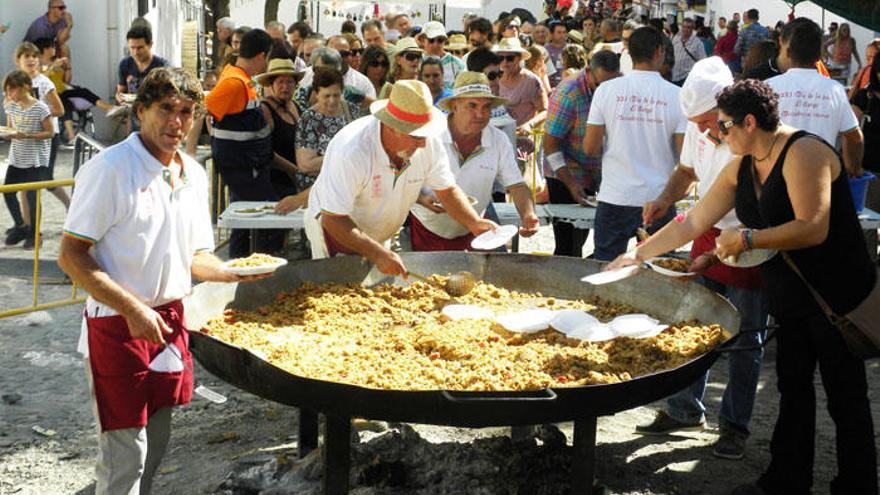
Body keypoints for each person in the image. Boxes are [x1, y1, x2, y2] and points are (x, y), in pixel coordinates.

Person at [609, 78, 878, 495]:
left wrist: (747, 239)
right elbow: (695, 221)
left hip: (835, 294)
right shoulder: (743, 161)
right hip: (791, 295)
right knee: (793, 386)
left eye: (723, 124)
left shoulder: (804, 152)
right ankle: (788, 479)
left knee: (846, 395)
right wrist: (639, 255)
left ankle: (858, 485)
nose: (717, 132)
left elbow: (813, 227)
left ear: (749, 122)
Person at [58, 67, 272, 495]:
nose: (176, 122)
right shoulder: (111, 169)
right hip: (118, 325)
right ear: (140, 112)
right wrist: (133, 308)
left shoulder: (192, 173)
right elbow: (71, 255)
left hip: (169, 321)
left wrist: (233, 272)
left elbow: (194, 256)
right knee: (125, 457)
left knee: (156, 445)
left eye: (187, 112)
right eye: (166, 109)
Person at [634, 57, 770, 462]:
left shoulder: (749, 138)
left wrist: (725, 246)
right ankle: (684, 410)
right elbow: (685, 171)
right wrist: (663, 198)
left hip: (749, 240)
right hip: (704, 231)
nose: (702, 129)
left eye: (709, 121)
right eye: (695, 121)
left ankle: (734, 427)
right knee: (691, 325)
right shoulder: (700, 130)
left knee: (745, 339)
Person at [303, 79, 497, 273]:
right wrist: (377, 253)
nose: (422, 144)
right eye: (416, 137)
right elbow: (333, 218)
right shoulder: (351, 151)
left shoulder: (428, 142)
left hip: (378, 233)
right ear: (391, 127)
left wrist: (474, 222)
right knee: (338, 290)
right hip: (338, 231)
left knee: (377, 292)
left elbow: (447, 190)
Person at [582, 26, 686, 261]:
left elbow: (590, 148)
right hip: (659, 197)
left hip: (615, 195)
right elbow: (684, 156)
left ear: (628, 53)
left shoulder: (606, 90)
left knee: (606, 266)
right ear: (659, 52)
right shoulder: (677, 95)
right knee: (658, 268)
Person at [409, 72, 539, 251]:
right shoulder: (430, 136)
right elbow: (402, 179)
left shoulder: (498, 140)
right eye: (472, 105)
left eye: (486, 107)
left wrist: (528, 214)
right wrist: (421, 197)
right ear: (454, 106)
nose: (480, 114)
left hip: (473, 233)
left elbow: (516, 185)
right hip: (426, 229)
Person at [206, 29, 279, 257]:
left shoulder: (241, 79)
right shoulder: (234, 83)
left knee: (247, 220)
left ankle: (244, 269)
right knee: (251, 220)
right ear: (261, 56)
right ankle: (243, 270)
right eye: (267, 58)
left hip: (249, 164)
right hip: (243, 167)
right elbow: (203, 109)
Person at [544, 50, 619, 257]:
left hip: (595, 171)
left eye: (610, 86)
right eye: (599, 85)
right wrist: (571, 184)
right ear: (588, 72)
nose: (604, 91)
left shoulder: (617, 85)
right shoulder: (568, 93)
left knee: (589, 238)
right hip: (565, 173)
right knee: (568, 245)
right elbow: (550, 145)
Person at [766, 18, 864, 176]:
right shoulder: (835, 90)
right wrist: (853, 168)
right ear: (819, 55)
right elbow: (854, 137)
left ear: (788, 51)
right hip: (821, 178)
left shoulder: (768, 87)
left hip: (774, 176)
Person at [2, 70, 54, 248]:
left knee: (32, 196)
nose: (9, 95)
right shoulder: (11, 106)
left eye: (12, 90)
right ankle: (21, 225)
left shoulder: (40, 108)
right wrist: (8, 134)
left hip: (35, 159)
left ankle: (34, 233)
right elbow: (11, 128)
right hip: (17, 157)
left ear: (25, 87)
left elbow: (50, 132)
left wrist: (28, 135)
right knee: (8, 191)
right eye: (7, 91)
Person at [292, 68, 361, 199]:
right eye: (326, 96)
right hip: (316, 192)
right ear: (316, 94)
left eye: (336, 95)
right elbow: (305, 165)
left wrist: (323, 162)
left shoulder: (352, 112)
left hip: (349, 189)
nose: (332, 101)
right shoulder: (309, 119)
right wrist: (346, 158)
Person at [15, 42, 67, 216]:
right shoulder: (16, 82)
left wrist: (39, 114)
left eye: (34, 56)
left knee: (40, 181)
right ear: (18, 60)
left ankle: (33, 231)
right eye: (26, 56)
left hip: (47, 137)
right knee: (26, 183)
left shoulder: (44, 82)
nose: (31, 60)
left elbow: (60, 110)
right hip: (26, 137)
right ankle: (27, 226)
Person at [257, 58, 303, 201]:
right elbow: (265, 151)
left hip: (297, 181)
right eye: (280, 82)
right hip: (275, 182)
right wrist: (293, 171)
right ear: (272, 84)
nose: (285, 87)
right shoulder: (265, 109)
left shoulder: (297, 107)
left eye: (289, 82)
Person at [850, 54, 880, 260]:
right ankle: (869, 266)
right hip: (870, 171)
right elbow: (850, 132)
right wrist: (851, 164)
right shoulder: (864, 97)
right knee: (869, 224)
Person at [495, 38, 547, 130]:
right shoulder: (495, 79)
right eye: (500, 58)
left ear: (519, 58)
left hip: (522, 139)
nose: (505, 62)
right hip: (499, 138)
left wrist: (529, 125)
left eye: (510, 58)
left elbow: (545, 111)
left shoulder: (531, 80)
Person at [116, 26, 169, 103]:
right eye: (132, 48)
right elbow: (121, 90)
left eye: (140, 48)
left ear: (150, 44)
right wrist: (119, 96)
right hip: (131, 110)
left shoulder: (163, 66)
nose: (136, 52)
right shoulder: (124, 64)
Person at [421, 21, 465, 91]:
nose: (436, 44)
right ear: (423, 40)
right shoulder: (417, 61)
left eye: (440, 40)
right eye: (431, 40)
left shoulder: (457, 64)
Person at [671, 18, 707, 85]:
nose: (685, 29)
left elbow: (703, 62)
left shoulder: (698, 43)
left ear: (692, 29)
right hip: (673, 76)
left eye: (688, 27)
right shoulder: (676, 38)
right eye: (683, 27)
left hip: (686, 79)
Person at [545, 20, 569, 87]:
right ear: (552, 34)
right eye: (559, 32)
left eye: (564, 32)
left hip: (566, 87)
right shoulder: (545, 49)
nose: (562, 35)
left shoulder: (570, 49)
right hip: (549, 87)